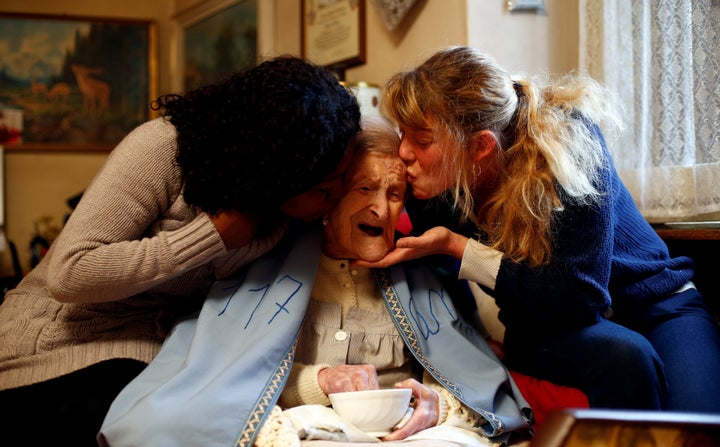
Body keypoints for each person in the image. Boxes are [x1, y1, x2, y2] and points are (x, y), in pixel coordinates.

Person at [98, 116, 532, 447]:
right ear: (330, 198)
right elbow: (227, 374)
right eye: (365, 190)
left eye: (394, 193)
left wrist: (435, 404)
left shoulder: (420, 278)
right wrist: (320, 381)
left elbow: (469, 378)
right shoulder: (264, 267)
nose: (381, 209)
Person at [0, 55, 361, 446]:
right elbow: (70, 274)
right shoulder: (161, 150)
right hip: (58, 345)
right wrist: (210, 236)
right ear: (277, 176)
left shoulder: (282, 217)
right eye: (324, 190)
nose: (335, 199)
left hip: (161, 357)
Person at [357, 46, 720, 413]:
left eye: (422, 141)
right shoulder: (431, 187)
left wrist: (461, 247)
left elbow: (579, 298)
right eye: (403, 133)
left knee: (701, 427)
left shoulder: (568, 143)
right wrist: (477, 339)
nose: (404, 152)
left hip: (656, 302)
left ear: (481, 145)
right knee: (628, 356)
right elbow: (442, 277)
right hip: (542, 325)